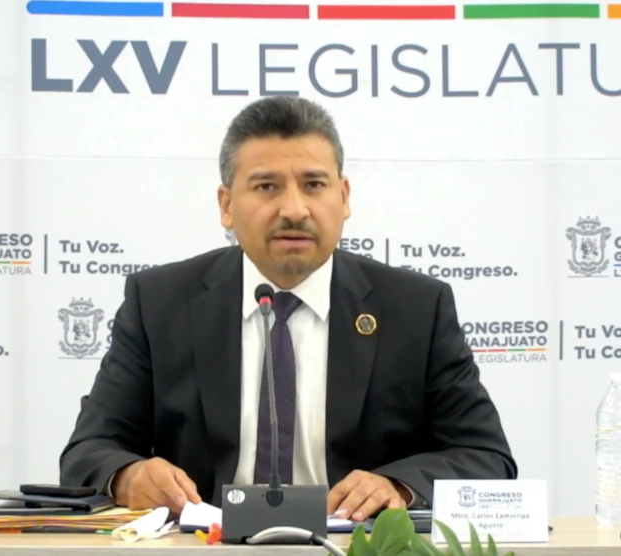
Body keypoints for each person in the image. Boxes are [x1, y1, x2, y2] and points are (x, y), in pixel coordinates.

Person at [60, 97, 517, 520]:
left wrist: (398, 486)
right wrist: (130, 477)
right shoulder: (160, 302)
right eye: (266, 186)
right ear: (226, 205)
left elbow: (487, 459)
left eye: (314, 185)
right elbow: (88, 451)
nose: (294, 209)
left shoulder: (415, 309)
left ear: (344, 197)